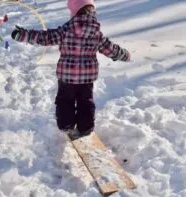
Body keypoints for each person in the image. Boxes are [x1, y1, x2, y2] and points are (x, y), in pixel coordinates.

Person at [11, 0, 131, 140]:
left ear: (74, 12)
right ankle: (85, 127)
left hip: (67, 76)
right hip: (86, 77)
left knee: (65, 100)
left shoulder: (65, 30)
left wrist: (23, 34)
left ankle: (66, 124)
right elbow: (110, 49)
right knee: (85, 101)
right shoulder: (96, 33)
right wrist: (124, 55)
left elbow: (45, 37)